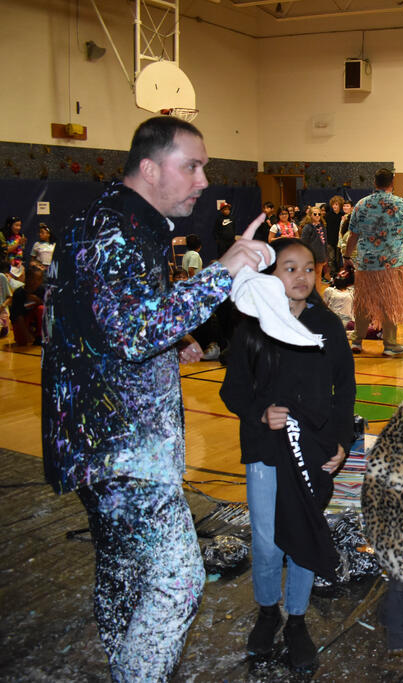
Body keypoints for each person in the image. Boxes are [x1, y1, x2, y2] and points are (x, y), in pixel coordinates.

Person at [40, 115, 271, 681]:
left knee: (123, 574)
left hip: (103, 443)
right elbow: (133, 332)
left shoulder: (115, 222)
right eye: (191, 166)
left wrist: (174, 340)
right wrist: (221, 272)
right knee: (177, 579)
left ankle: (127, 667)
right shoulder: (114, 231)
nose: (203, 181)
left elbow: (108, 324)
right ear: (149, 167)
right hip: (122, 451)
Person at [220, 237, 355, 670]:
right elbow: (233, 390)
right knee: (266, 539)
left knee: (304, 533)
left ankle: (296, 618)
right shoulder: (252, 326)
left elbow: (344, 389)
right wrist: (261, 413)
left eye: (309, 268)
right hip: (266, 449)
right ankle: (267, 611)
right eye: (290, 268)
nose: (302, 277)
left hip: (313, 449)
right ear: (269, 275)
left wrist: (341, 441)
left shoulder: (327, 325)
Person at [344, 167, 403, 356]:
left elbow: (353, 235)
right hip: (392, 263)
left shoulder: (361, 204)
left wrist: (346, 256)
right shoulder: (401, 204)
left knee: (363, 303)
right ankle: (390, 344)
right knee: (390, 303)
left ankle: (357, 341)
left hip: (367, 263)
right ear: (392, 182)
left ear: (375, 182)